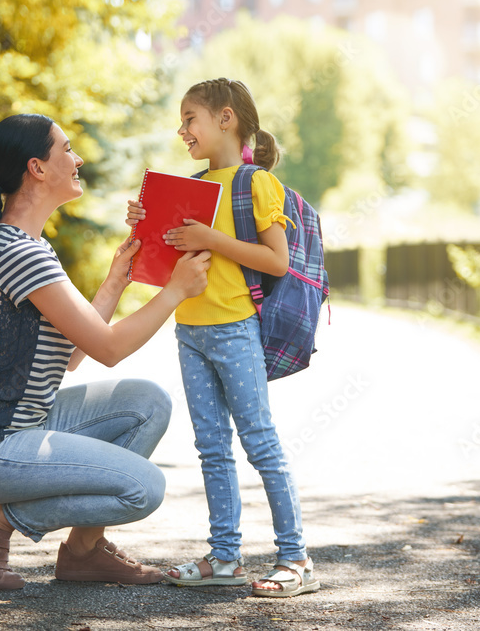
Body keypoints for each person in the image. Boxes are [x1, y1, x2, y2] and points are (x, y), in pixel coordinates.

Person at [0, 113, 211, 591]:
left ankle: (83, 553)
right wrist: (174, 292)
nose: (78, 157)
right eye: (66, 149)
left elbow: (72, 356)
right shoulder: (19, 252)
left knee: (146, 403)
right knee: (143, 488)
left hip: (21, 425)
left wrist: (114, 281)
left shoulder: (29, 246)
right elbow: (106, 350)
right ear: (37, 169)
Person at [126, 78, 319, 597]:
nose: (182, 129)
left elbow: (275, 260)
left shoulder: (256, 184)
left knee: (260, 442)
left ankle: (295, 557)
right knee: (211, 447)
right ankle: (226, 556)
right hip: (189, 330)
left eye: (191, 118)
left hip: (235, 329)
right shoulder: (189, 188)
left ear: (226, 118)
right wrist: (143, 226)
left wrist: (212, 238)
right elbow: (161, 260)